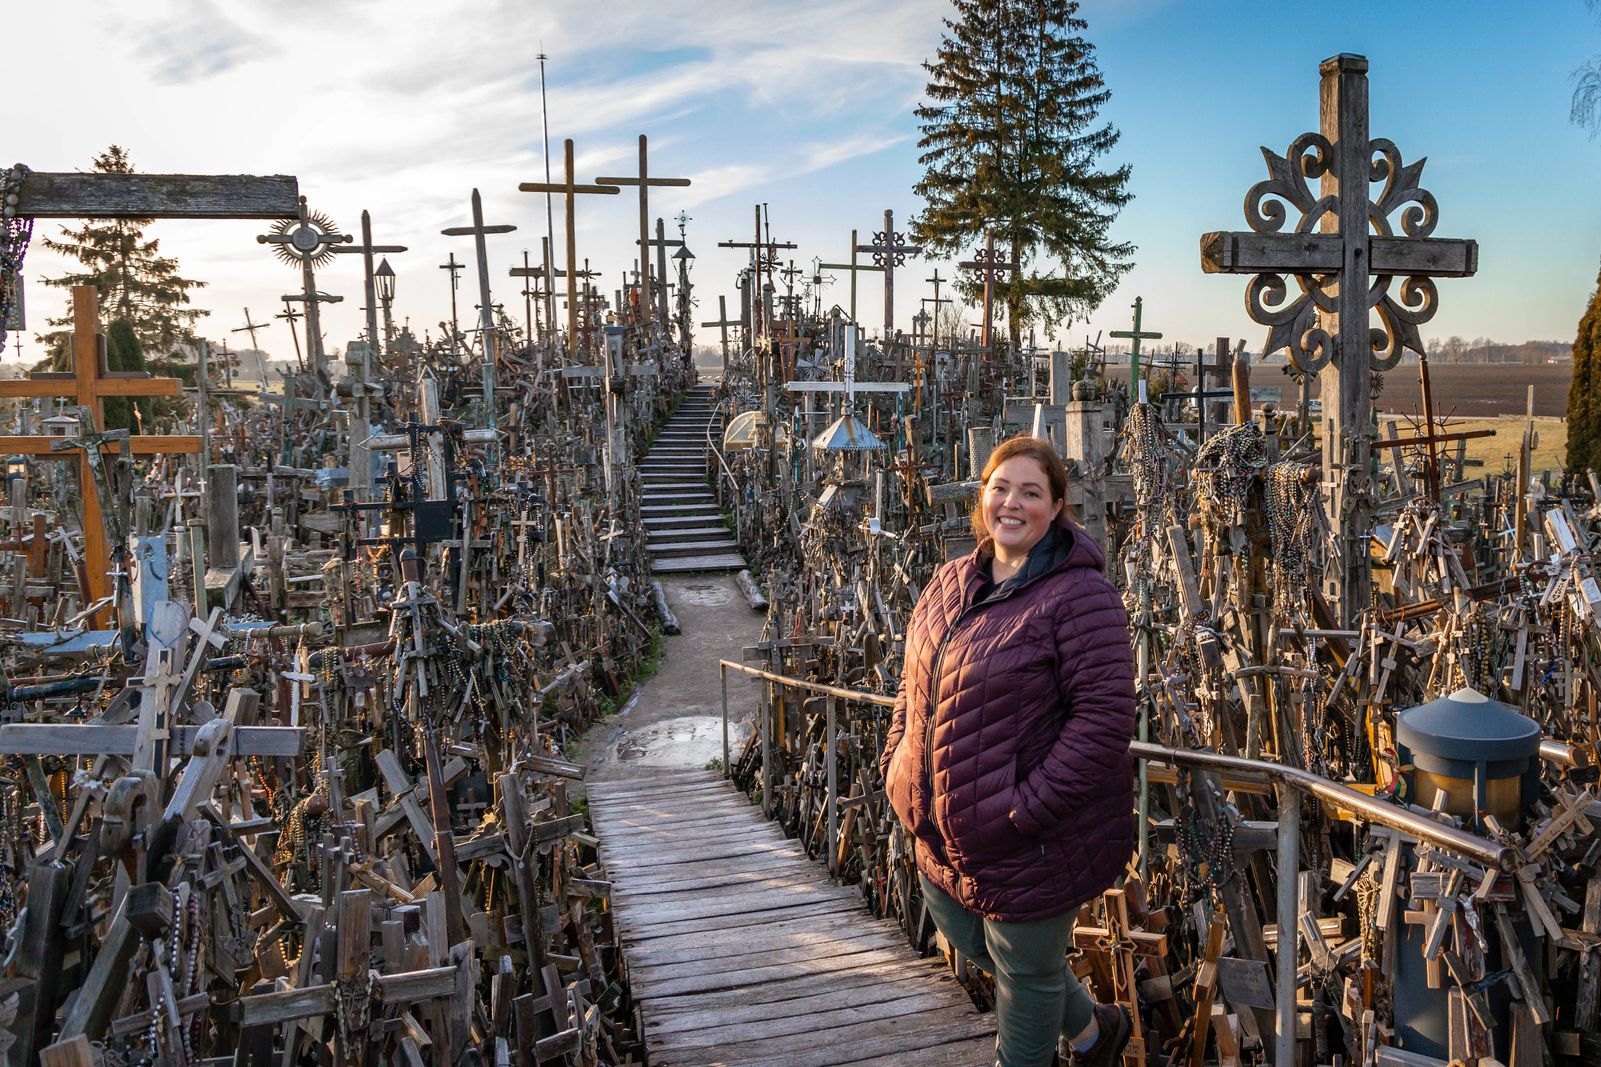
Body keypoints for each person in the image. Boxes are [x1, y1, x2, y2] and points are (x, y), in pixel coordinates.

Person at [880, 434, 1137, 1067]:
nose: (1011, 503)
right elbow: (913, 687)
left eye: (1030, 492)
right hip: (940, 826)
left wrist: (1024, 810)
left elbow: (1104, 721)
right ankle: (1095, 1034)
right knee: (975, 937)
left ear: (1056, 508)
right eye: (1000, 487)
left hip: (1030, 838)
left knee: (1026, 972)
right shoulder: (949, 583)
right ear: (982, 498)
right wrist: (899, 765)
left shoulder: (1079, 598)